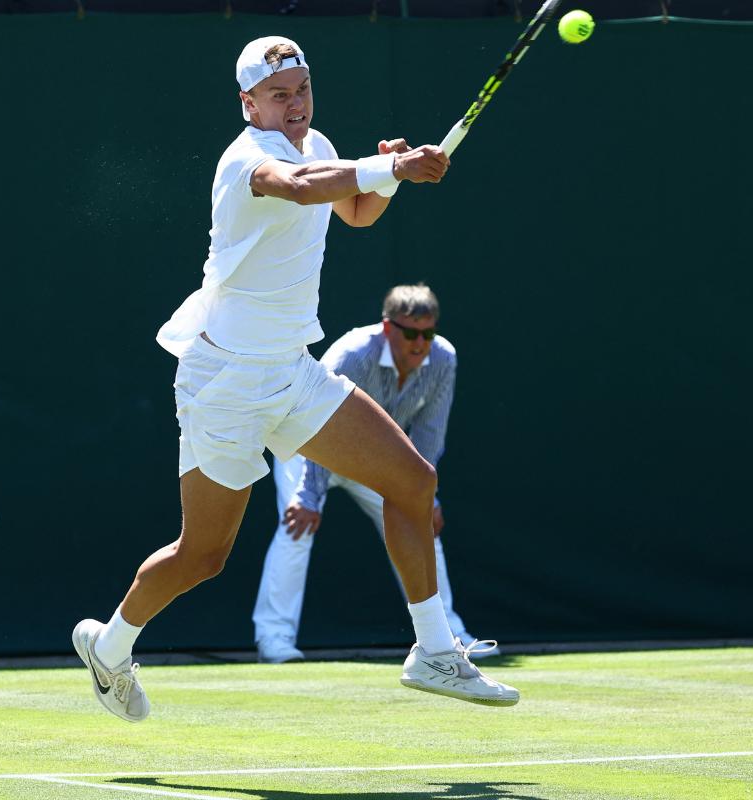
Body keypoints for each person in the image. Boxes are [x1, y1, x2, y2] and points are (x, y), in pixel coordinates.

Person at [71, 36, 518, 723]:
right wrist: (390, 162)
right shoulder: (246, 159)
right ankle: (112, 645)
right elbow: (305, 189)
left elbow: (358, 211)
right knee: (204, 555)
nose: (296, 105)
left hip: (292, 371)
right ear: (248, 103)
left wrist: (389, 176)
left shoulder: (317, 143)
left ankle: (433, 651)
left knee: (412, 480)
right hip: (223, 382)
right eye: (279, 95)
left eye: (302, 90)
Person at [253, 284, 500, 664]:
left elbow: (429, 434)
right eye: (411, 333)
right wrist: (308, 495)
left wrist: (425, 495)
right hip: (311, 446)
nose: (421, 343)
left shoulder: (443, 359)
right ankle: (274, 640)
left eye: (428, 333)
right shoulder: (354, 354)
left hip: (375, 458)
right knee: (296, 527)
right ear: (388, 328)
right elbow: (316, 423)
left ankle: (448, 634)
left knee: (420, 525)